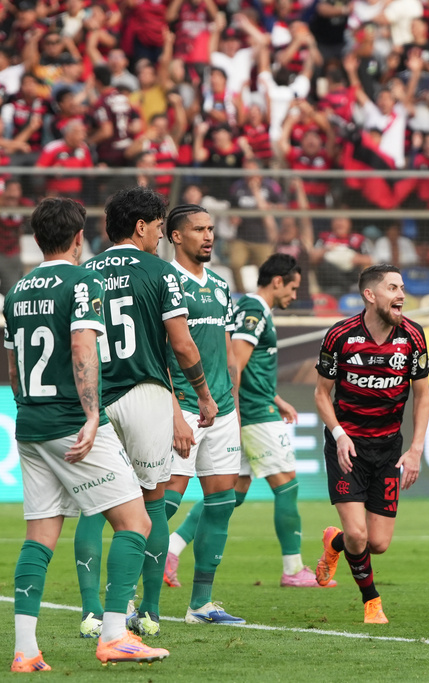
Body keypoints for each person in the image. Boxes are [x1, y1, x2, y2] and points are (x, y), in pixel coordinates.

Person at [7, 198, 168, 671]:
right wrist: (92, 414)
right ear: (80, 237)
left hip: (31, 424)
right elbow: (83, 346)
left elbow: (15, 365)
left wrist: (27, 410)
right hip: (70, 424)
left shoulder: (17, 292)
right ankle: (116, 634)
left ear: (37, 239)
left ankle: (25, 649)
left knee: (39, 536)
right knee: (135, 523)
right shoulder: (83, 281)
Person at [75, 186, 218, 640]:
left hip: (95, 399)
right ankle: (150, 612)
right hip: (144, 394)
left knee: (94, 507)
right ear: (141, 226)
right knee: (152, 503)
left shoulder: (84, 272)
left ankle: (93, 612)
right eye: (158, 227)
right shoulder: (160, 271)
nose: (159, 236)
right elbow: (181, 343)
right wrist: (203, 394)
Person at [312, 264, 429, 624]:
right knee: (358, 533)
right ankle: (371, 601)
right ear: (370, 295)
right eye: (393, 288)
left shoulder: (413, 336)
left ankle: (334, 544)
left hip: (388, 450)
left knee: (376, 543)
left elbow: (423, 397)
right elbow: (321, 394)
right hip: (347, 449)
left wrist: (415, 449)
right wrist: (339, 434)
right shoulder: (340, 336)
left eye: (402, 288)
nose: (401, 295)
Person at [157, 204, 245, 625]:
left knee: (221, 505)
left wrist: (235, 409)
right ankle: (139, 602)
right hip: (185, 409)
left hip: (223, 410)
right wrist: (174, 410)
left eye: (211, 229)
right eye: (198, 229)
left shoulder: (221, 285)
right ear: (175, 236)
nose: (208, 236)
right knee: (165, 504)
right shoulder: (163, 282)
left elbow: (228, 353)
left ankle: (201, 605)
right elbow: (160, 354)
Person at [232, 254, 326, 588]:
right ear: (277, 281)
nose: (294, 295)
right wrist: (237, 412)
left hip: (258, 405)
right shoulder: (255, 310)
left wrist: (277, 397)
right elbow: (235, 362)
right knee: (287, 484)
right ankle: (293, 570)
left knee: (233, 492)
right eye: (293, 287)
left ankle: (172, 551)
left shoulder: (252, 309)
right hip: (253, 412)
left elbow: (250, 365)